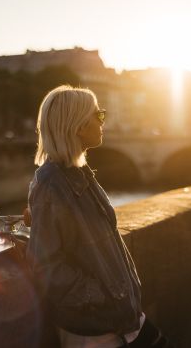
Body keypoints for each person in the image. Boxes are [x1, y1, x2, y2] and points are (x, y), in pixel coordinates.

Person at [26, 85, 172, 347]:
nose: (103, 121)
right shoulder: (52, 184)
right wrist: (102, 295)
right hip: (94, 328)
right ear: (79, 125)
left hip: (121, 318)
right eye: (98, 115)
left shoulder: (80, 174)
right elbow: (46, 265)